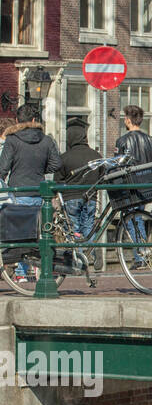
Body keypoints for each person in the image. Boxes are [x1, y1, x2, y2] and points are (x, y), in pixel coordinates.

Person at [0, 104, 63, 281]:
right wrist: (43, 169)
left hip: (18, 192)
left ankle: (20, 273)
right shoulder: (46, 140)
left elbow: (3, 168)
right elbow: (57, 164)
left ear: (17, 121)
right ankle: (43, 270)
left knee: (20, 234)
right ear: (35, 120)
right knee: (41, 233)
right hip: (40, 193)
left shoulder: (12, 140)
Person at [115, 105, 152, 267]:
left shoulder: (122, 141)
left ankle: (140, 255)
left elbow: (117, 167)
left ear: (128, 120)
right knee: (138, 217)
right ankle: (141, 253)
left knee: (133, 219)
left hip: (130, 186)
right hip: (146, 187)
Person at [57, 116, 102, 240]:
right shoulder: (96, 156)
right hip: (91, 197)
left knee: (73, 230)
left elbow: (58, 180)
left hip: (71, 197)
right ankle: (88, 257)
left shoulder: (65, 157)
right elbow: (103, 176)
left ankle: (77, 257)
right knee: (88, 229)